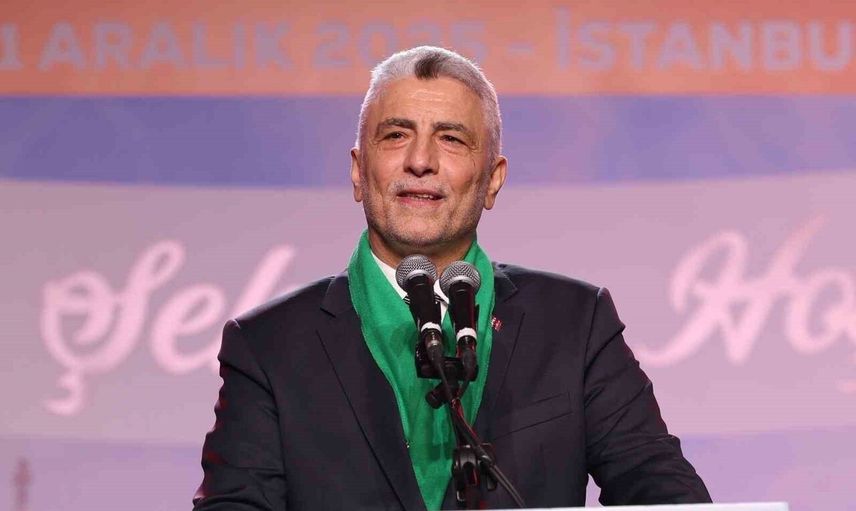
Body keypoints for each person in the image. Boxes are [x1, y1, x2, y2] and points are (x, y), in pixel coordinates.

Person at [193, 46, 711, 510]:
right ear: (358, 170)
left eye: (451, 139)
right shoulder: (267, 344)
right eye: (396, 135)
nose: (420, 161)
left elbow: (662, 491)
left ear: (493, 180)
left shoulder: (575, 323)